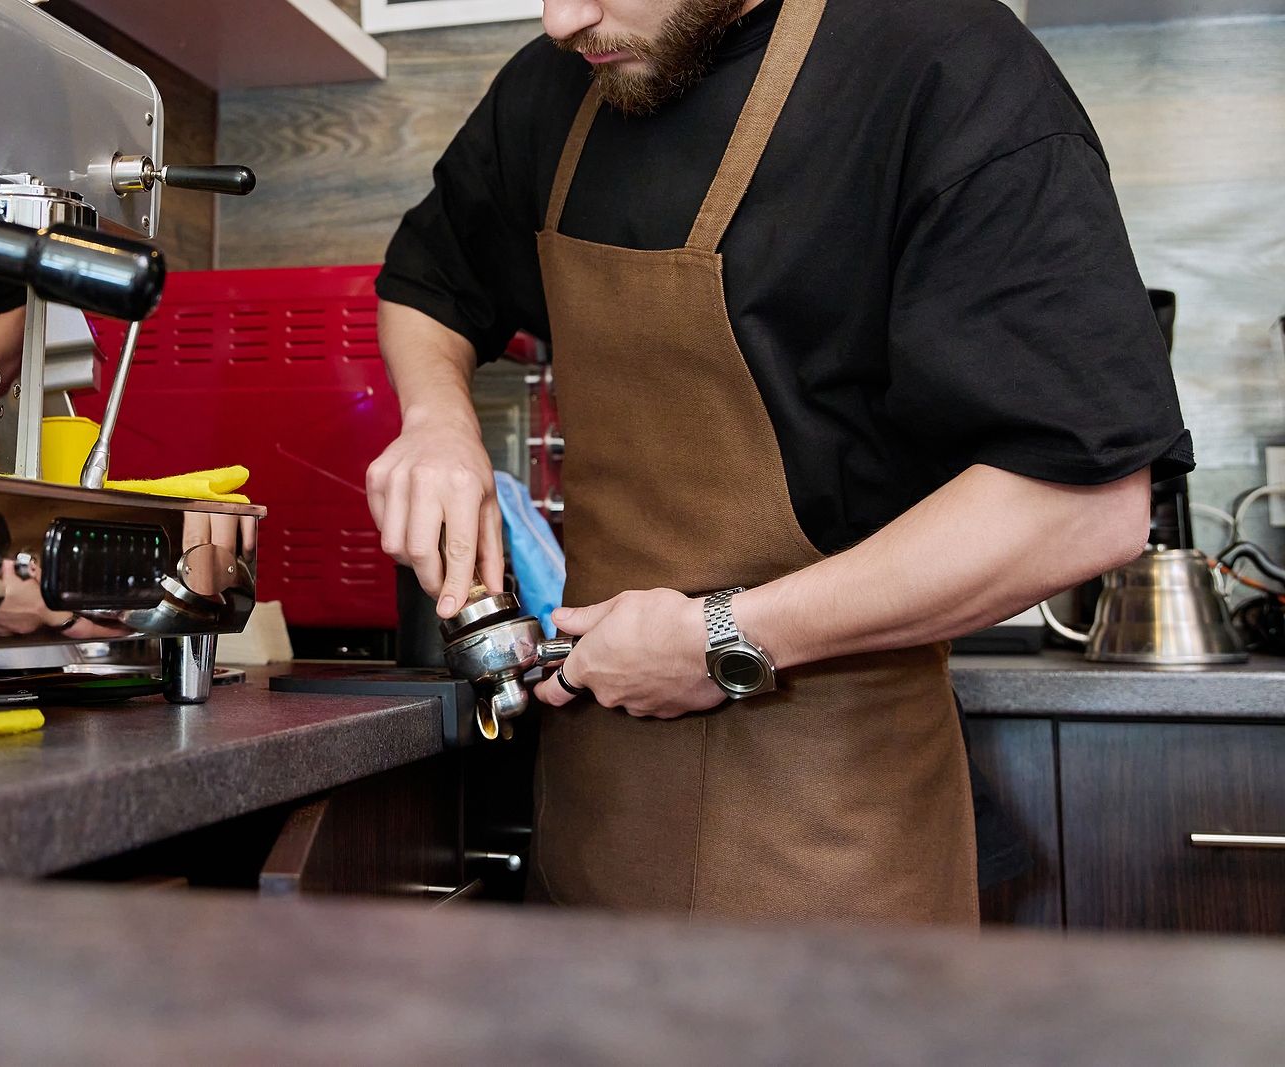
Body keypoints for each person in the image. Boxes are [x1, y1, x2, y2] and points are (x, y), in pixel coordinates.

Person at [366, 0, 1191, 924]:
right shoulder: (553, 87)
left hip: (828, 840)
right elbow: (427, 283)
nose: (563, 19)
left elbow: (1085, 502)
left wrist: (720, 637)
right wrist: (437, 422)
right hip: (593, 816)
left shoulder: (943, 64)